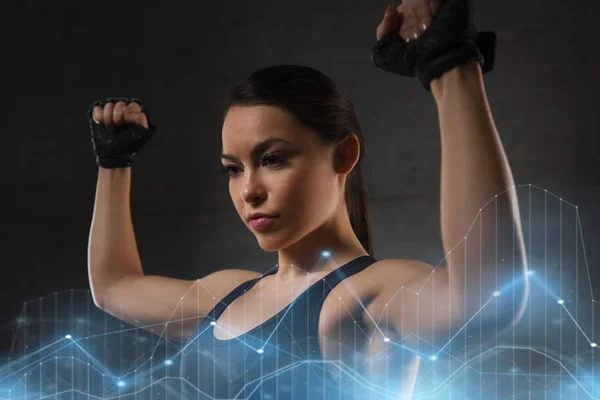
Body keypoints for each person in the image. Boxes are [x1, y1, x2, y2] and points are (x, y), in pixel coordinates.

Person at [86, 0, 529, 398]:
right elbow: (113, 288)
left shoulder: (362, 300)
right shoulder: (224, 296)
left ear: (343, 155)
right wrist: (114, 161)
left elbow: (488, 298)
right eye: (233, 169)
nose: (249, 190)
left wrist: (451, 69)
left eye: (273, 159)